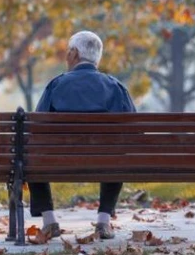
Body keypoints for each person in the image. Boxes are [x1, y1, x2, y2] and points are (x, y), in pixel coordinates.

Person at [29, 31, 136, 240]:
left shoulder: (56, 85)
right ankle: (103, 221)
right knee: (116, 155)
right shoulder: (115, 87)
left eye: (69, 52)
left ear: (74, 54)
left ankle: (49, 221)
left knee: (31, 155)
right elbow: (133, 131)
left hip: (57, 163)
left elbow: (36, 130)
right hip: (107, 162)